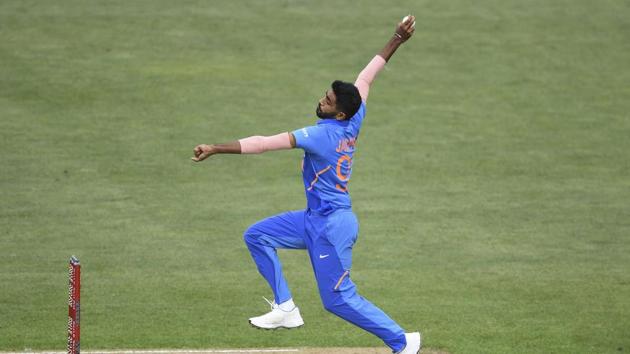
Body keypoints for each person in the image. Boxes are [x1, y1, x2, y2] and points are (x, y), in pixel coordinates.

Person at [192, 15, 420, 354]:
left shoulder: (320, 135)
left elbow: (264, 143)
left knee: (337, 299)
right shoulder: (352, 117)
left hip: (331, 226)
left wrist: (216, 148)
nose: (321, 101)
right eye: (325, 95)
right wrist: (396, 39)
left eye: (327, 102)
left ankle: (402, 341)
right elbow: (366, 78)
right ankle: (285, 308)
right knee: (257, 235)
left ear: (339, 114)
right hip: (314, 218)